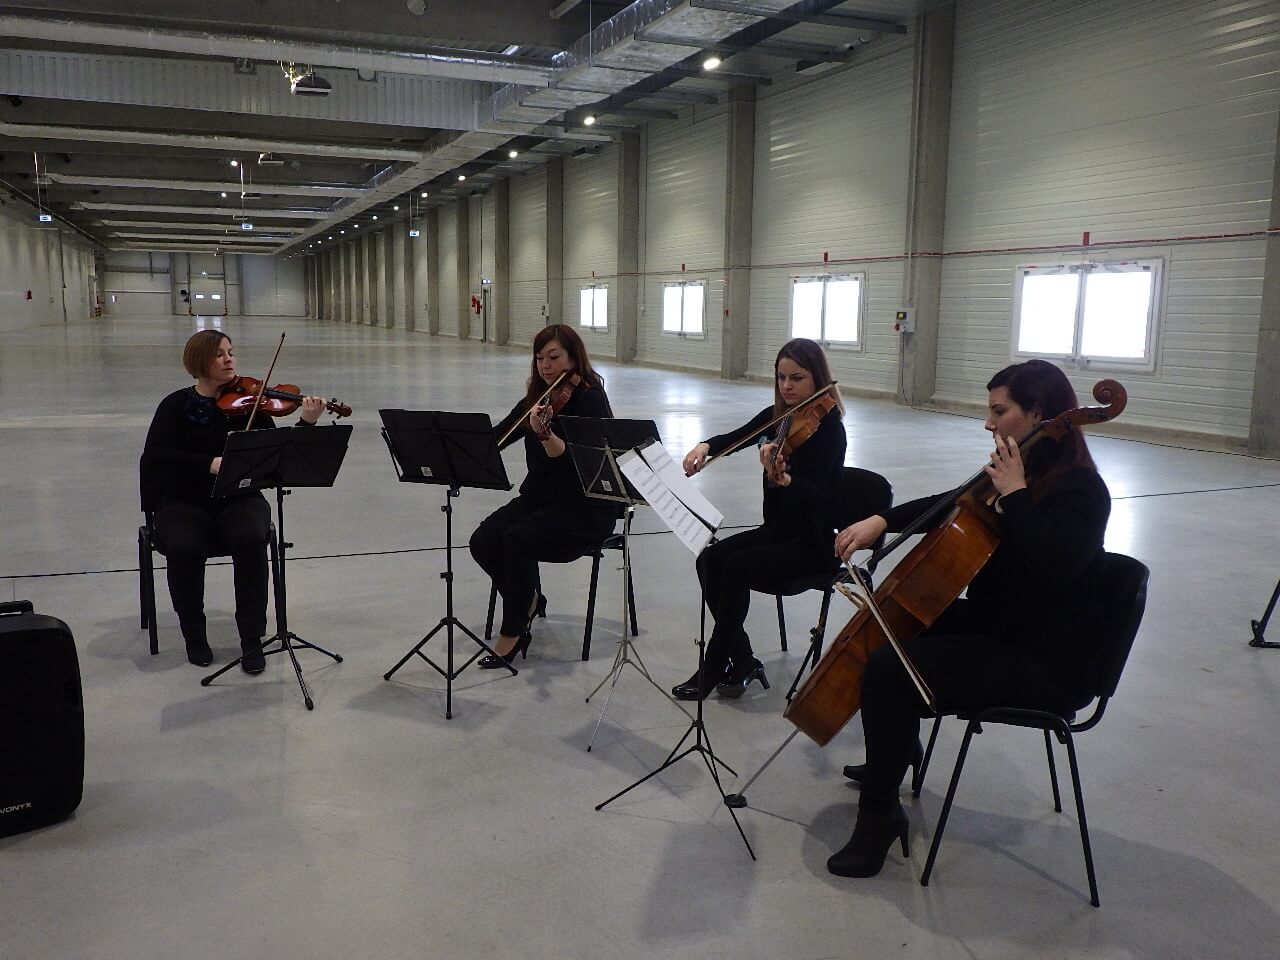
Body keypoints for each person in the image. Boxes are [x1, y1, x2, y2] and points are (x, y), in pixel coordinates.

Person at [826, 358, 1111, 879]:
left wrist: (1017, 495)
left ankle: (878, 817)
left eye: (998, 412)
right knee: (894, 625)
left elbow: (1053, 568)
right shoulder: (1021, 475)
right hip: (999, 625)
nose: (988, 423)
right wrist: (883, 521)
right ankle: (895, 745)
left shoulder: (1082, 491)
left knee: (892, 669)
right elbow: (952, 503)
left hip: (1043, 657)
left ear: (1037, 414)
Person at [142, 330, 325, 672]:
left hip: (238, 497)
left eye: (231, 352)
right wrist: (208, 464)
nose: (230, 359)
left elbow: (278, 451)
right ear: (199, 361)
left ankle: (251, 638)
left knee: (252, 535)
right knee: (183, 545)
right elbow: (156, 456)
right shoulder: (175, 405)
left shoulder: (250, 405)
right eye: (220, 354)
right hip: (184, 502)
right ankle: (194, 634)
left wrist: (306, 422)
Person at [674, 338, 846, 701]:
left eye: (796, 378)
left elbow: (819, 496)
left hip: (812, 544)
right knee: (708, 560)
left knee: (734, 566)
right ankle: (744, 659)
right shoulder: (782, 417)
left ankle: (716, 664)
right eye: (781, 377)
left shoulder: (829, 429)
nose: (786, 386)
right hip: (778, 533)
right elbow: (741, 436)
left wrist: (787, 480)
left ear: (817, 378)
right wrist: (706, 446)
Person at [470, 324, 619, 668]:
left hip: (583, 507)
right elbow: (500, 435)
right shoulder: (539, 397)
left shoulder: (590, 397)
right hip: (540, 500)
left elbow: (584, 464)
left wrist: (546, 435)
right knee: (483, 540)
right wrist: (467, 446)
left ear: (572, 356)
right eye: (539, 358)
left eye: (554, 357)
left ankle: (514, 630)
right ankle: (529, 599)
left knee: (517, 539)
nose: (546, 366)